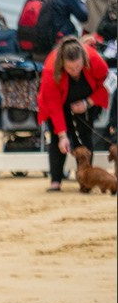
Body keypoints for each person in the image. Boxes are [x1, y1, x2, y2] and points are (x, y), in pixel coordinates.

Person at [37, 34, 109, 193]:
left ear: (84, 59)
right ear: (62, 64)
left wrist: (89, 102)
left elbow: (107, 83)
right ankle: (56, 181)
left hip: (86, 100)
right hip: (57, 103)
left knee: (84, 136)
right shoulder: (51, 69)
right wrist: (63, 135)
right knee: (57, 139)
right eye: (70, 68)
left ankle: (86, 182)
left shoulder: (94, 59)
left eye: (78, 67)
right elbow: (53, 105)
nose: (75, 71)